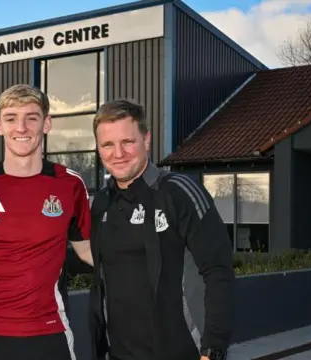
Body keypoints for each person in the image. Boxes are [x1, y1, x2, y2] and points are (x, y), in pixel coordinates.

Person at [0, 84, 93, 360]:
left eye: (31, 118)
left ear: (46, 124)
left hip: (49, 330)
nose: (21, 128)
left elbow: (88, 251)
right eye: (11, 118)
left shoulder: (70, 184)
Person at [88, 99, 235, 360]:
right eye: (108, 144)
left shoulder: (179, 192)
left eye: (128, 142)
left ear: (146, 140)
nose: (118, 153)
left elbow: (218, 271)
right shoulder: (100, 203)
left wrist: (213, 349)